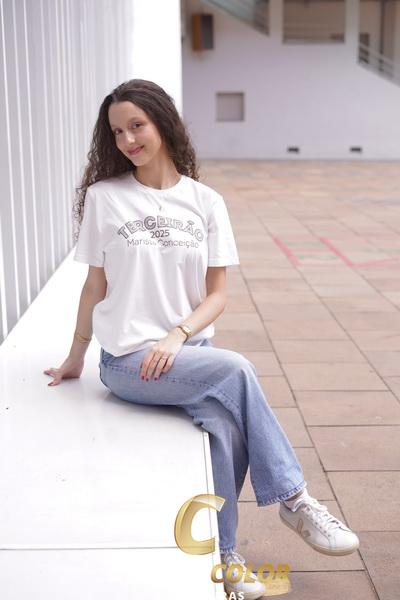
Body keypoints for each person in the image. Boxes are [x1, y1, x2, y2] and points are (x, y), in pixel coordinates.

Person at [43, 79, 359, 600]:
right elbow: (94, 287)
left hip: (189, 354)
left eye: (137, 126)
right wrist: (77, 356)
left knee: (225, 429)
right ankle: (294, 498)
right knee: (238, 369)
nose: (127, 140)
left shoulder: (206, 202)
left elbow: (218, 295)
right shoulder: (105, 198)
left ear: (163, 123)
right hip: (130, 362)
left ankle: (225, 558)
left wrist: (179, 334)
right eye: (117, 132)